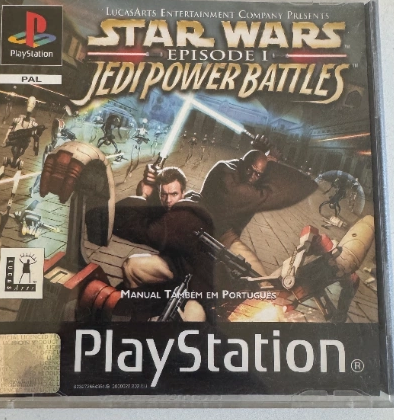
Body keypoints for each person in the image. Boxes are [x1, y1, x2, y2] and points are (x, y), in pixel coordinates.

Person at [200, 135, 317, 275]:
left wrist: (261, 155)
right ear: (243, 164)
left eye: (258, 174)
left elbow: (249, 168)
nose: (252, 177)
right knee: (260, 279)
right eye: (250, 170)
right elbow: (292, 188)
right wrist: (272, 165)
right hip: (213, 233)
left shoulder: (227, 168)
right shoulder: (233, 182)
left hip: (219, 233)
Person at [113, 164, 214, 320]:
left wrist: (143, 196)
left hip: (199, 283)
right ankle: (138, 317)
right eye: (164, 195)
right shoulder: (177, 206)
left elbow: (139, 229)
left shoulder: (184, 216)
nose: (168, 200)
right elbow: (156, 210)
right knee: (130, 266)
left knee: (189, 321)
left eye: (174, 194)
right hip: (177, 267)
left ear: (183, 193)